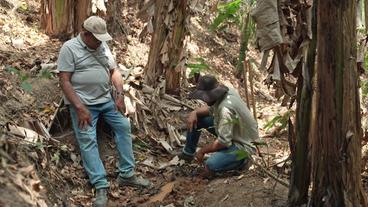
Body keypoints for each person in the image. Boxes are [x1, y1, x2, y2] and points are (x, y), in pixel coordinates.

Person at [57, 16, 150, 207]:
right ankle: (100, 185)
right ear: (85, 34)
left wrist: (120, 95)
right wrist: (80, 107)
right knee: (87, 139)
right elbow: (64, 80)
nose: (100, 42)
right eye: (96, 38)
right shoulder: (69, 48)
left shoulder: (102, 46)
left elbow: (114, 72)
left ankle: (127, 174)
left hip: (106, 100)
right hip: (84, 104)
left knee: (123, 126)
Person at [179, 75, 259, 176]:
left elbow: (223, 142)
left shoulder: (225, 110)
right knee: (197, 119)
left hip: (243, 145)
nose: (204, 100)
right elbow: (210, 109)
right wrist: (194, 113)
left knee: (211, 165)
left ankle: (243, 161)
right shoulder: (225, 92)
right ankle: (188, 154)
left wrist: (202, 151)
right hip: (233, 132)